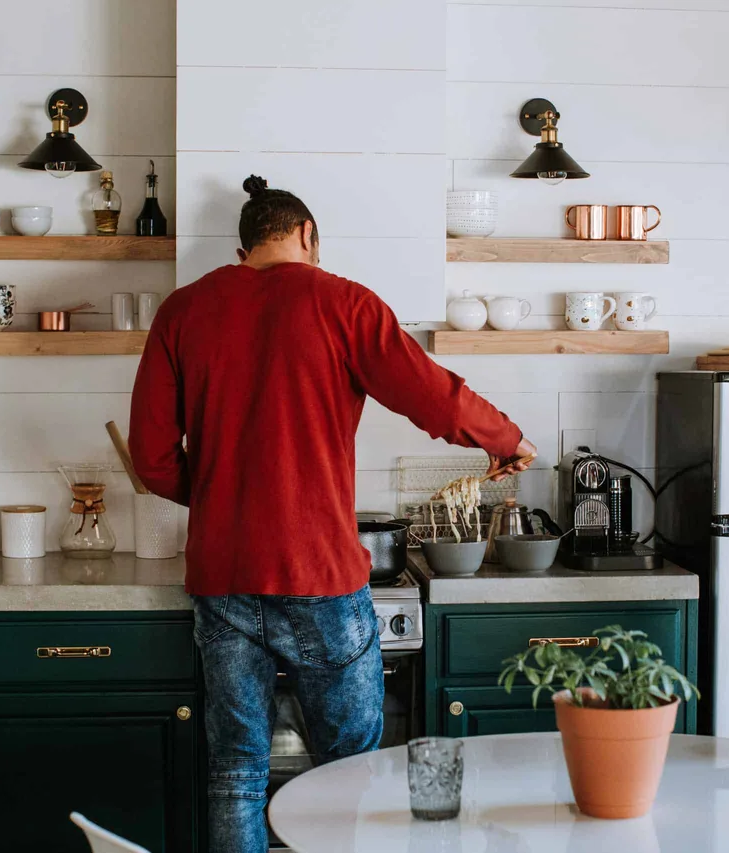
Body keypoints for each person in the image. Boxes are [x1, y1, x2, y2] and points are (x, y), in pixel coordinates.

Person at [129, 175, 535, 853]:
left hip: (223, 576)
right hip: (319, 573)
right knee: (349, 773)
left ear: (243, 248)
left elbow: (151, 458)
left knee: (236, 772)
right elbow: (433, 397)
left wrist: (229, 495)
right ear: (307, 235)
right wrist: (505, 437)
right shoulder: (345, 303)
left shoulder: (183, 310)